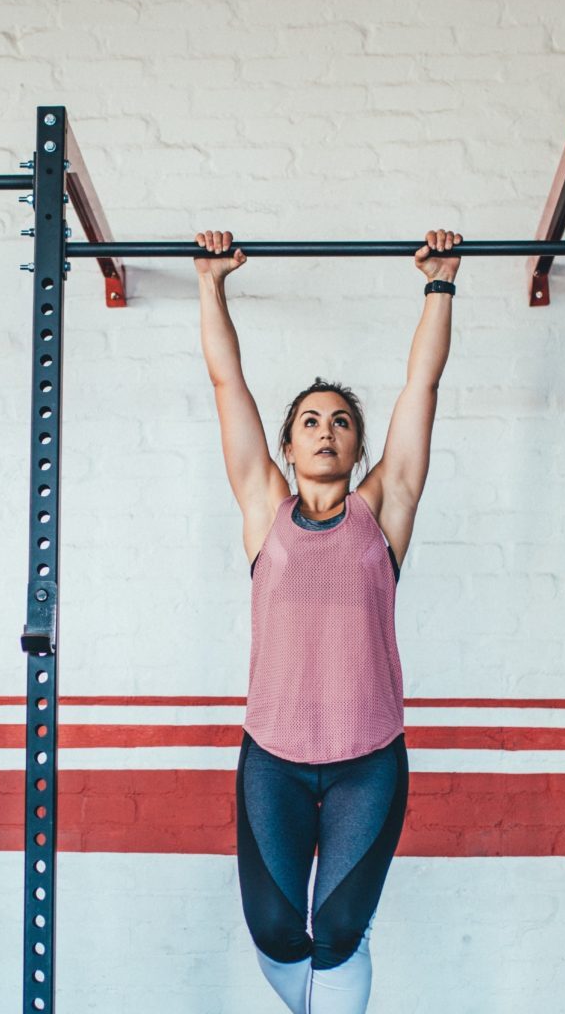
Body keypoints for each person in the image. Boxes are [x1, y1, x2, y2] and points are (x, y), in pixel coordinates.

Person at [194, 227, 462, 1013]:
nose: (325, 430)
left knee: (340, 926)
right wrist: (210, 286)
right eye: (310, 420)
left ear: (358, 447)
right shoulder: (262, 512)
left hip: (367, 760)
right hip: (272, 757)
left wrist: (439, 284)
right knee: (278, 930)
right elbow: (226, 385)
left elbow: (422, 389)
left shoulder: (384, 514)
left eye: (341, 421)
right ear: (286, 444)